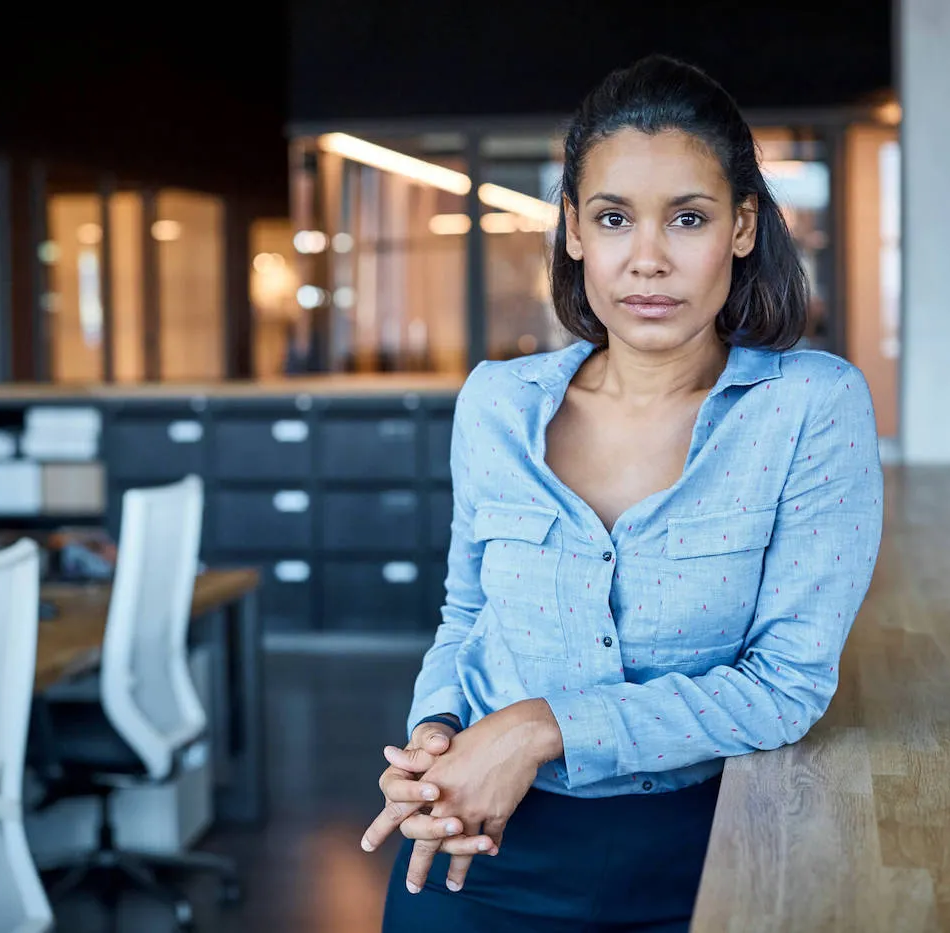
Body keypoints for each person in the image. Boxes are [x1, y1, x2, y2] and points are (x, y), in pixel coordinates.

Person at [360, 54, 885, 932]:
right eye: (613, 218)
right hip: (475, 847)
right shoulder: (497, 401)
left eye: (687, 217)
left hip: (700, 853)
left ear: (743, 226)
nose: (648, 260)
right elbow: (465, 615)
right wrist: (436, 740)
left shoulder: (809, 407)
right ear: (572, 230)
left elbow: (785, 686)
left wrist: (537, 728)